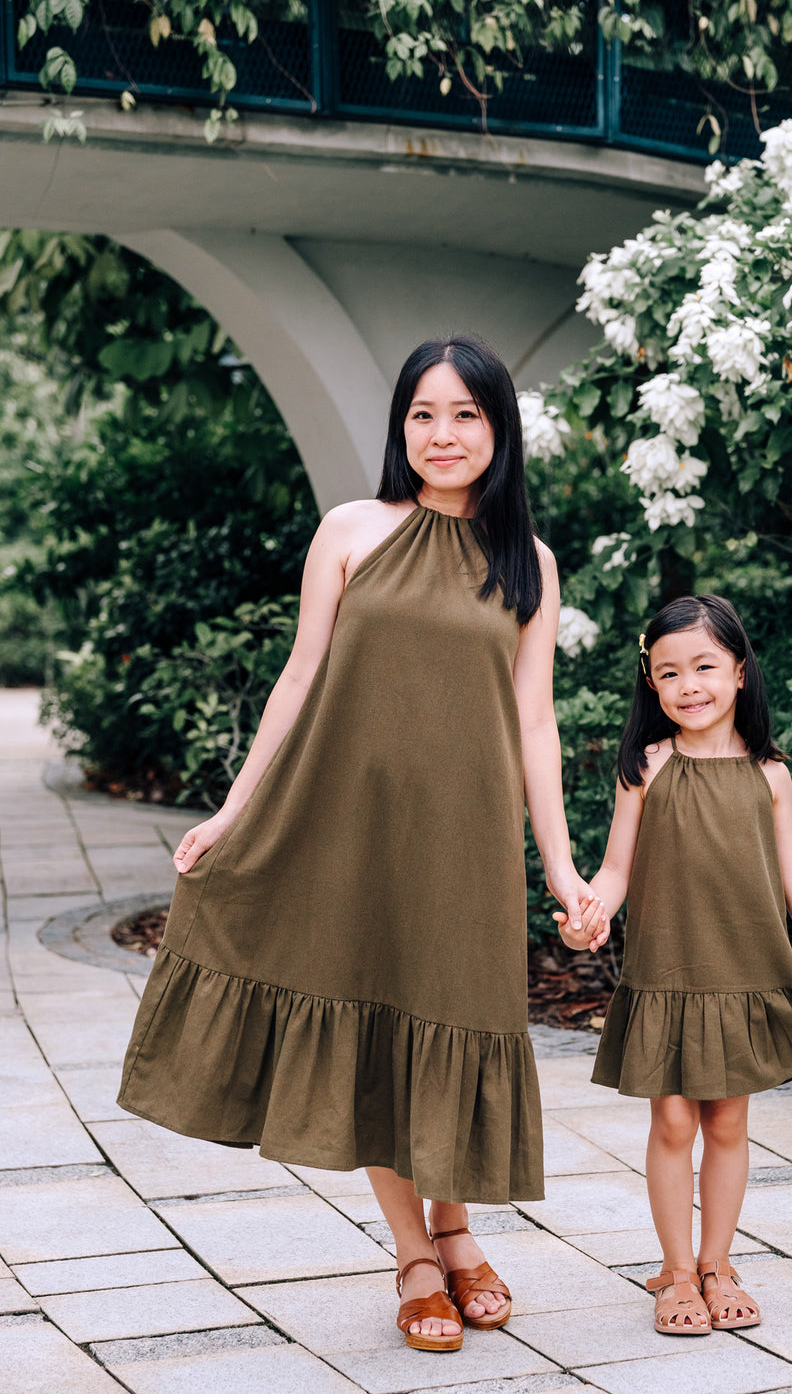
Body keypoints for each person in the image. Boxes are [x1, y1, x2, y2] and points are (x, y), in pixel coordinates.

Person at [118, 334, 601, 1353]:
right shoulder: (350, 530)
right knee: (379, 1016)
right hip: (346, 823)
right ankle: (416, 1256)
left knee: (457, 1012)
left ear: (498, 430)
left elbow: (536, 722)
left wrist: (561, 864)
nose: (442, 434)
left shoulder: (530, 566)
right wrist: (231, 812)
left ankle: (460, 1229)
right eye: (422, 414)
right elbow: (298, 681)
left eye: (465, 414)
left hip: (466, 836)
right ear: (400, 428)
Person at [555, 595, 792, 1336]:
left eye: (704, 666)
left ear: (739, 670)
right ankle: (674, 1274)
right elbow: (614, 870)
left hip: (742, 972)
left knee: (728, 1123)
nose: (688, 685)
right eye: (668, 673)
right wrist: (589, 914)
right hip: (669, 974)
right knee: (673, 1122)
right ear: (652, 685)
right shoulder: (647, 766)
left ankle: (717, 1263)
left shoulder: (770, 774)